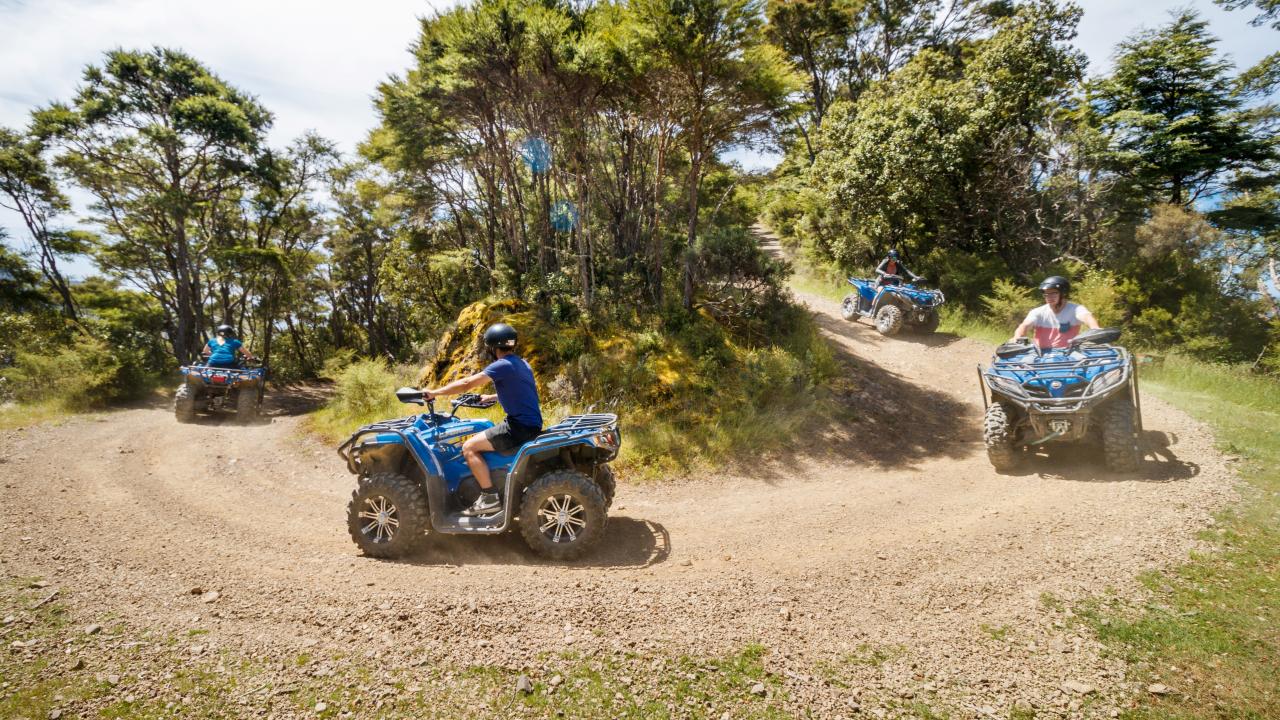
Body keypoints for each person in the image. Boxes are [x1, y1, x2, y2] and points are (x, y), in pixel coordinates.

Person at [424, 322, 543, 517]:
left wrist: (434, 392)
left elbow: (466, 383)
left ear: (492, 348)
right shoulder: (522, 363)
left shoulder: (502, 365)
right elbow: (523, 392)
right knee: (484, 434)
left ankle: (489, 497)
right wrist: (492, 397)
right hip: (530, 424)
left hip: (518, 427)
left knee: (468, 447)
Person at [1011, 276, 1100, 349]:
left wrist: (1095, 328)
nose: (1049, 297)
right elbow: (1025, 325)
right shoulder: (1037, 312)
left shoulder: (1076, 309)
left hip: (1069, 353)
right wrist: (1018, 336)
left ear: (1063, 293)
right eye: (1046, 294)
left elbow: (1087, 317)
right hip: (1041, 353)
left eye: (1053, 293)